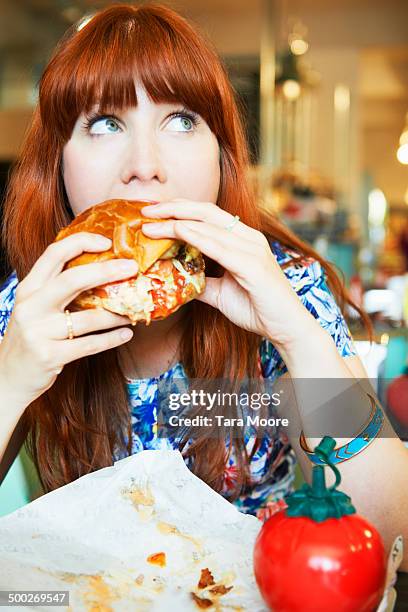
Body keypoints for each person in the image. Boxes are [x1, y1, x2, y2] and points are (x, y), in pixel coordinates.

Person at [0, 4, 407, 568]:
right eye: (105, 124)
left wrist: (295, 333)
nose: (145, 166)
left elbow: (390, 538)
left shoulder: (287, 288)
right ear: (59, 166)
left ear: (222, 156)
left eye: (182, 120)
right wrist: (9, 379)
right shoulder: (28, 307)